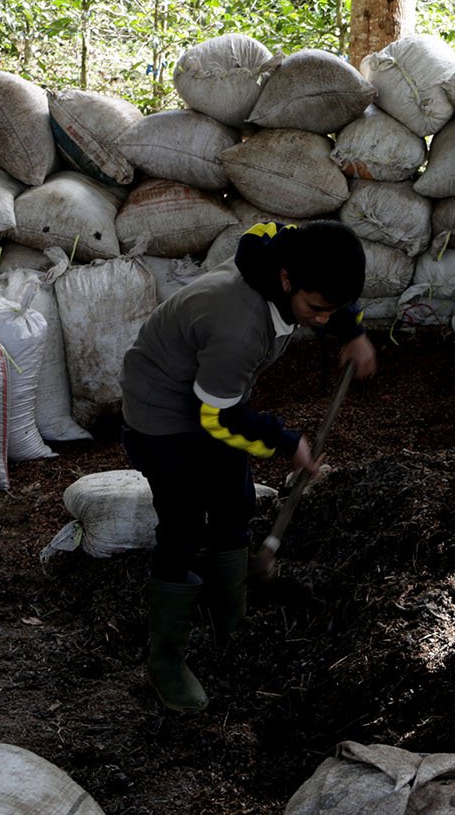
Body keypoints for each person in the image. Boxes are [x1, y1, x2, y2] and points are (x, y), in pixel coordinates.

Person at [118, 219, 378, 712]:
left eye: (332, 311)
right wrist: (286, 443)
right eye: (316, 309)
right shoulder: (239, 326)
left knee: (235, 501)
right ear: (285, 281)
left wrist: (353, 330)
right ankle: (166, 660)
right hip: (161, 415)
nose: (322, 321)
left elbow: (278, 235)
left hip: (210, 395)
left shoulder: (282, 252)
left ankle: (228, 617)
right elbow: (218, 418)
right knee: (184, 525)